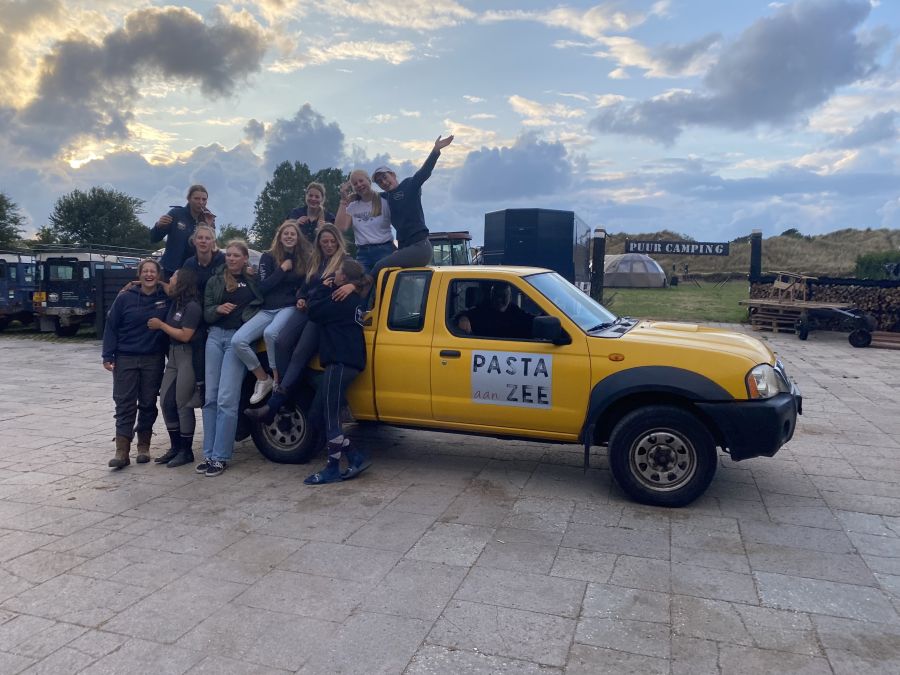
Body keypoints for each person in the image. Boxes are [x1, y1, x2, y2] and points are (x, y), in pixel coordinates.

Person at [249, 224, 352, 424]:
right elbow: (305, 287)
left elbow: (364, 279)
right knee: (280, 341)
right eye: (325, 242)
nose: (329, 245)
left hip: (323, 314)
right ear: (319, 244)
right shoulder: (316, 261)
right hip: (307, 308)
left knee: (299, 354)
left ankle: (277, 403)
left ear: (338, 242)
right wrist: (301, 298)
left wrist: (352, 285)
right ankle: (284, 395)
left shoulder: (345, 262)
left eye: (332, 241)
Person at [302, 258, 370, 485]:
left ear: (344, 277)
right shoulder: (356, 299)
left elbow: (313, 311)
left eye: (338, 271)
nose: (334, 273)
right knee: (324, 412)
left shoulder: (341, 298)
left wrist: (323, 288)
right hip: (351, 362)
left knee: (331, 417)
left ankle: (332, 469)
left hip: (339, 362)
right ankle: (355, 456)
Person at [199, 241, 263, 477]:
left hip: (238, 339)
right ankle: (209, 454)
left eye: (237, 255)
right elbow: (206, 312)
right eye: (229, 255)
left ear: (245, 258)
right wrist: (217, 309)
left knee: (227, 399)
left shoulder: (254, 281)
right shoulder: (215, 280)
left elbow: (263, 305)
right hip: (215, 337)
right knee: (210, 398)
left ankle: (221, 457)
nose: (232, 259)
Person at [231, 220, 311, 403]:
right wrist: (282, 269)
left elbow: (306, 285)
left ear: (298, 237)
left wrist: (302, 298)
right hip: (267, 308)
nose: (289, 237)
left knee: (270, 333)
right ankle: (263, 378)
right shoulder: (268, 257)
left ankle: (276, 378)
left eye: (293, 234)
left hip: (289, 307)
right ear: (280, 237)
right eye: (286, 233)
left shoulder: (304, 259)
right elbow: (263, 287)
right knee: (238, 340)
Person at [101, 259, 170, 468]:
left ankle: (144, 447)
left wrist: (164, 286)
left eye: (153, 271)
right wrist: (107, 355)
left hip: (153, 358)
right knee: (125, 403)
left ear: (158, 275)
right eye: (145, 271)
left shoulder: (165, 297)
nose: (149, 275)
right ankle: (122, 451)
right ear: (139, 275)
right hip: (126, 357)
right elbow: (111, 326)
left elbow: (179, 295)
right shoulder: (124, 298)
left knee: (148, 403)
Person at [369, 134, 454, 283]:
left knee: (379, 267)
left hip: (420, 246)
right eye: (380, 182)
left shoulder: (409, 185)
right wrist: (350, 196)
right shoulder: (385, 197)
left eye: (385, 177)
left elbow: (424, 172)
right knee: (395, 280)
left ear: (393, 175)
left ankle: (364, 293)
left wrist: (435, 151)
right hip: (404, 247)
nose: (384, 182)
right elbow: (366, 195)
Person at [148, 267, 203, 468]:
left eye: (173, 277)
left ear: (182, 282)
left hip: (186, 355)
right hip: (172, 357)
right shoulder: (176, 302)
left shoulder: (192, 307)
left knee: (183, 402)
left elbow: (186, 335)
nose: (169, 279)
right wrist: (136, 283)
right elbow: (164, 286)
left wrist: (161, 325)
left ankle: (186, 451)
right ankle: (175, 446)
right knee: (165, 401)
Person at [335, 170, 394, 273]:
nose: (359, 185)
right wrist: (343, 199)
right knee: (361, 281)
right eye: (355, 184)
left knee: (385, 281)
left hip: (384, 250)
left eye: (361, 181)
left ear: (368, 180)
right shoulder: (353, 206)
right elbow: (340, 227)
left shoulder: (384, 201)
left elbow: (399, 222)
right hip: (363, 254)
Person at [151, 185, 214, 277]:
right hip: (170, 270)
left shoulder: (208, 219)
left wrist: (209, 226)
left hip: (194, 273)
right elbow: (154, 238)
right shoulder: (176, 214)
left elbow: (212, 248)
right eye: (196, 198)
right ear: (189, 199)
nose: (201, 202)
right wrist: (158, 226)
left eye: (204, 199)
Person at [457, 282, 535, 339]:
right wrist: (463, 318)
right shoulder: (482, 310)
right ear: (491, 296)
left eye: (504, 296)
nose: (499, 299)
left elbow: (534, 321)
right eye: (496, 295)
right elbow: (458, 316)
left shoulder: (516, 312)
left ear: (510, 297)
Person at [182, 224, 225, 295]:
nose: (203, 241)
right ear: (194, 241)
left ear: (213, 243)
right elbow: (183, 289)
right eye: (200, 238)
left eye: (207, 238)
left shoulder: (223, 260)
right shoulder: (188, 264)